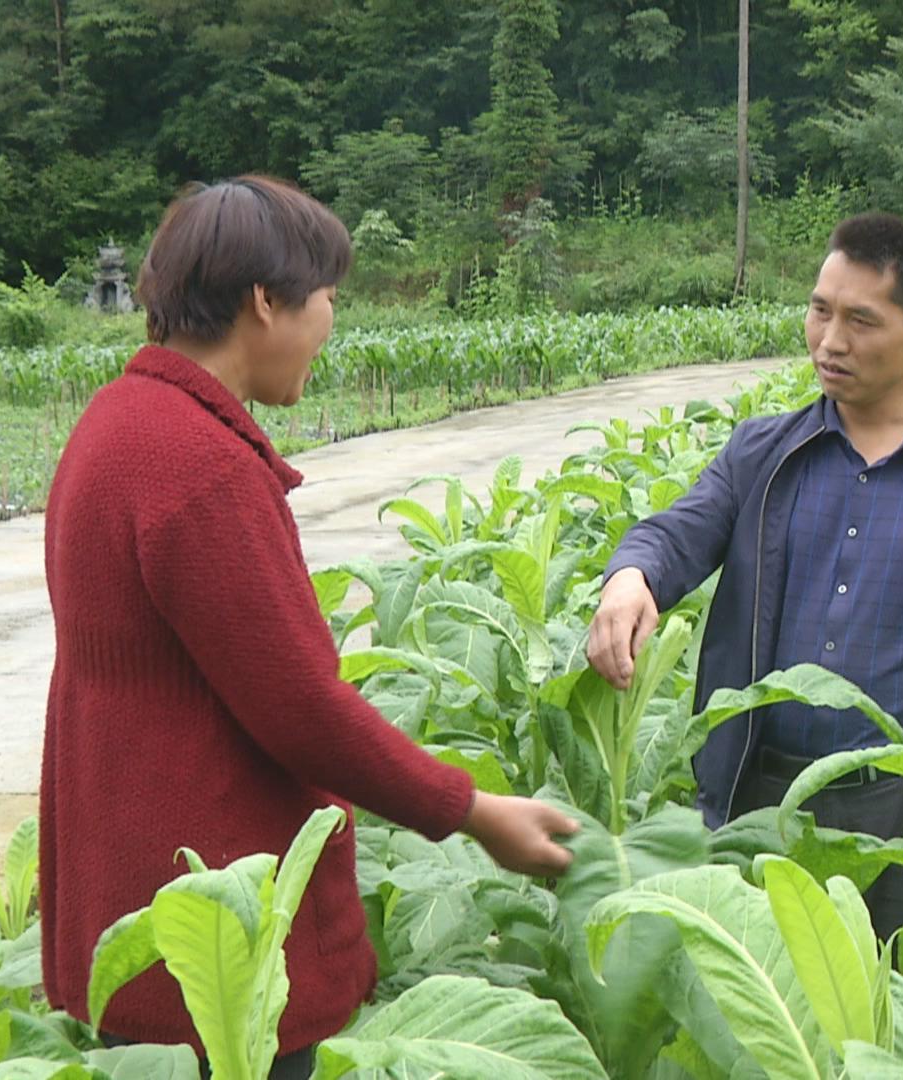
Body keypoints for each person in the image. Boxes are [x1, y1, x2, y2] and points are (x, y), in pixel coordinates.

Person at [39, 176, 577, 1076]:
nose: (333, 321)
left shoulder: (114, 424)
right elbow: (301, 709)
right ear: (264, 301)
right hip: (216, 943)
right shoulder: (200, 468)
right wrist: (473, 811)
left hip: (132, 918)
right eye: (330, 297)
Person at [587, 212, 903, 934]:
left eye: (862, 321)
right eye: (819, 310)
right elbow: (678, 531)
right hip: (764, 803)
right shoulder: (764, 453)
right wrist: (632, 577)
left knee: (899, 1015)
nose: (830, 341)